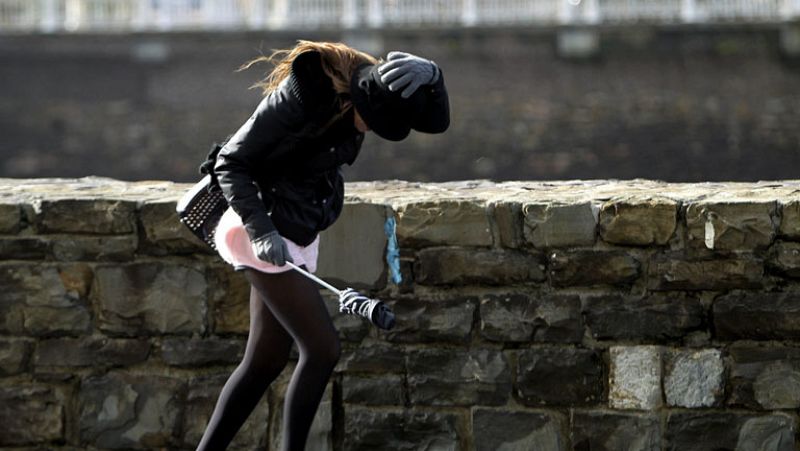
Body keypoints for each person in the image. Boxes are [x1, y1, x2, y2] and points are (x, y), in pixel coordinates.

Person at [195, 40, 449, 450]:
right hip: (260, 228)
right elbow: (230, 162)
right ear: (357, 98)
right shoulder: (301, 97)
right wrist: (262, 231)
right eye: (372, 121)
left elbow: (436, 123)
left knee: (265, 361)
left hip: (296, 230)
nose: (371, 131)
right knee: (322, 348)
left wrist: (434, 77)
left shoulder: (367, 97)